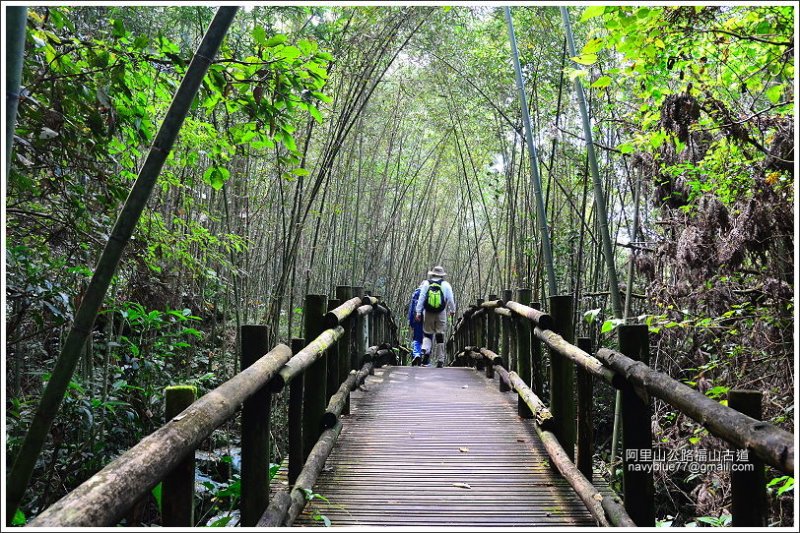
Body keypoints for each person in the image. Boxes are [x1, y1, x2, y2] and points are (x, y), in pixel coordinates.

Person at [414, 265, 456, 367]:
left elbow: (422, 298)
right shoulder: (446, 285)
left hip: (428, 312)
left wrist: (418, 312)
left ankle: (425, 351)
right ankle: (440, 360)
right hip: (441, 312)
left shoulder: (427, 283)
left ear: (432, 274)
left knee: (427, 333)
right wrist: (452, 310)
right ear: (442, 275)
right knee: (439, 335)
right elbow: (450, 299)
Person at [407, 287, 424, 366]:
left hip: (417, 320)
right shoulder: (429, 293)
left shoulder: (415, 294)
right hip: (427, 320)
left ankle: (417, 354)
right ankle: (424, 358)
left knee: (417, 339)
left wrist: (411, 322)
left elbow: (411, 310)